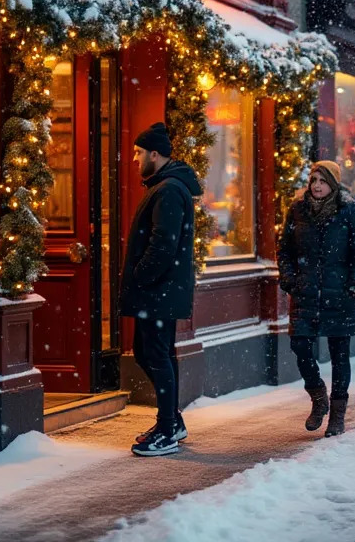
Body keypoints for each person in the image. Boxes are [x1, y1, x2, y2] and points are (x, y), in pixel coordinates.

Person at [120, 122, 203, 457]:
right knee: (152, 353)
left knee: (156, 355)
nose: (136, 158)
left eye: (140, 153)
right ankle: (172, 421)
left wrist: (141, 276)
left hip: (158, 291)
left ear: (155, 154)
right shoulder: (165, 186)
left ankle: (167, 429)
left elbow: (162, 246)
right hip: (160, 291)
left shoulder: (168, 189)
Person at [278, 160, 355, 437]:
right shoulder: (297, 211)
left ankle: (338, 414)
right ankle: (318, 398)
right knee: (300, 347)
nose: (317, 186)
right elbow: (285, 250)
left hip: (340, 294)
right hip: (305, 293)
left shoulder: (349, 212)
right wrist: (289, 278)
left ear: (332, 183)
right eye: (313, 181)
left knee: (339, 356)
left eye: (322, 181)